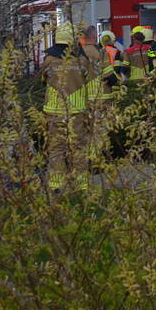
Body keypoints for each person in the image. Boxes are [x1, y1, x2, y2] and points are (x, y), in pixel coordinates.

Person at [39, 22, 95, 189]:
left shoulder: (49, 59)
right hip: (76, 111)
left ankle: (56, 184)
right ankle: (81, 184)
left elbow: (44, 80)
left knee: (56, 147)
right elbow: (91, 81)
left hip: (54, 111)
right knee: (78, 147)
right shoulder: (81, 60)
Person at [97, 30, 128, 99]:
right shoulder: (116, 51)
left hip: (103, 81)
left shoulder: (99, 52)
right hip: (115, 80)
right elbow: (117, 68)